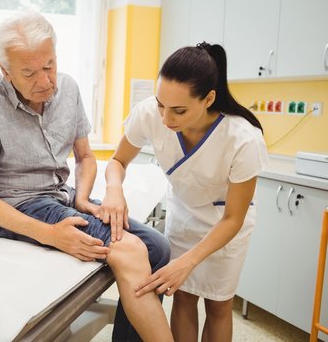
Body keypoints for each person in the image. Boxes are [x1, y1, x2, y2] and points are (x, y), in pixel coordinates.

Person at [0, 11, 173, 341]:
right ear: (5, 70)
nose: (45, 81)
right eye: (29, 73)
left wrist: (84, 197)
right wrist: (50, 234)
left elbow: (86, 157)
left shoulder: (68, 89)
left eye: (49, 66)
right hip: (19, 204)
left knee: (157, 247)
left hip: (62, 194)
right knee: (129, 250)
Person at [100, 42, 269, 342]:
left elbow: (234, 217)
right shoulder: (150, 113)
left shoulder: (243, 138)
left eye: (178, 110)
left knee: (218, 305)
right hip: (184, 215)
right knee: (183, 297)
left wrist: (189, 261)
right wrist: (114, 188)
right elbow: (117, 161)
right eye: (161, 105)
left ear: (209, 99)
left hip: (224, 226)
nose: (165, 119)